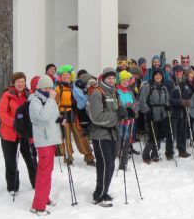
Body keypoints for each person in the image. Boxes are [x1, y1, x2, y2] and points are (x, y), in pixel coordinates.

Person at [87, 67, 126, 207]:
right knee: (105, 164)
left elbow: (119, 108)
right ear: (103, 78)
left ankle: (104, 191)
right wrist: (117, 116)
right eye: (109, 78)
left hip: (113, 133)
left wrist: (126, 112)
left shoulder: (114, 92)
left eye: (113, 78)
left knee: (110, 165)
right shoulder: (97, 93)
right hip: (100, 134)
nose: (111, 80)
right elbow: (96, 117)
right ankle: (99, 195)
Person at [0, 72, 37, 194]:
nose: (20, 83)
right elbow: (2, 113)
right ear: (14, 83)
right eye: (18, 81)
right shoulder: (7, 95)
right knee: (11, 161)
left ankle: (36, 183)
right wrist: (14, 122)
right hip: (9, 134)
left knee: (31, 159)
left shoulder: (29, 95)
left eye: (22, 81)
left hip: (25, 133)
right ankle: (13, 186)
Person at [29, 74, 63, 216]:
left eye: (51, 87)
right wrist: (50, 100)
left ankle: (44, 197)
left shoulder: (47, 100)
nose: (51, 90)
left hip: (51, 139)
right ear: (42, 88)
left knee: (48, 171)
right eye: (48, 87)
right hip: (43, 140)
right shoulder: (35, 101)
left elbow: (51, 117)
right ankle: (38, 205)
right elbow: (42, 116)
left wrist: (60, 120)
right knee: (43, 172)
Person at [55, 65, 95, 165]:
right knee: (66, 136)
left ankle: (89, 156)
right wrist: (59, 116)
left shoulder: (74, 86)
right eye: (63, 75)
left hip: (75, 113)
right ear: (60, 77)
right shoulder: (58, 88)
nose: (65, 77)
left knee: (81, 135)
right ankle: (68, 157)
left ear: (71, 76)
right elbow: (55, 104)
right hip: (63, 113)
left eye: (67, 75)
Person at [139, 69, 173, 162]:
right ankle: (146, 154)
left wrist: (167, 106)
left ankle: (155, 153)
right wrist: (146, 111)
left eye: (160, 75)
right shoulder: (148, 86)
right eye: (156, 75)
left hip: (162, 114)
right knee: (152, 135)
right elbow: (142, 100)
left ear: (162, 77)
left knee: (159, 135)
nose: (158, 76)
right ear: (153, 76)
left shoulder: (164, 88)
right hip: (152, 114)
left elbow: (167, 99)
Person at [168, 65, 193, 158]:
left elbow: (189, 94)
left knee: (182, 132)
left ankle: (182, 150)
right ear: (174, 72)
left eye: (180, 71)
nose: (179, 73)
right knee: (172, 133)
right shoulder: (170, 83)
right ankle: (169, 152)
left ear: (183, 72)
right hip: (173, 112)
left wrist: (189, 100)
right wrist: (180, 102)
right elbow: (169, 99)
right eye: (177, 71)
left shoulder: (185, 83)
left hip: (184, 112)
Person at [116, 70, 139, 169]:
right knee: (120, 140)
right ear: (119, 80)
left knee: (127, 140)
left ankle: (124, 162)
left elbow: (135, 103)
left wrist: (134, 111)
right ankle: (118, 157)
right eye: (123, 80)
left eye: (127, 80)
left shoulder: (130, 92)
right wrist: (125, 108)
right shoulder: (116, 91)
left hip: (129, 120)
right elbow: (117, 104)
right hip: (120, 120)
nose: (125, 82)